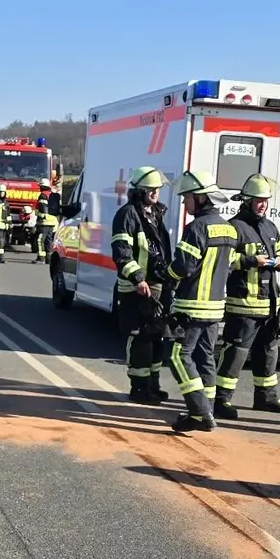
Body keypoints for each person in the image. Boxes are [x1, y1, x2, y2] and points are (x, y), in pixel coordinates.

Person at [211, 174, 280, 419]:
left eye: (266, 201)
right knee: (235, 353)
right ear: (246, 201)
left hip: (269, 306)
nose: (263, 205)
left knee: (269, 351)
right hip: (243, 306)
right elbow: (224, 260)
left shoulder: (270, 227)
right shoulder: (235, 227)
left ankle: (266, 398)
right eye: (259, 200)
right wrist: (249, 261)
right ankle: (221, 400)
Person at [163, 171, 237, 432]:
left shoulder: (196, 228)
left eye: (187, 198)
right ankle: (206, 409)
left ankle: (199, 411)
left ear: (200, 198)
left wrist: (167, 275)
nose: (185, 204)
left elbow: (183, 266)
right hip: (216, 307)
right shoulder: (229, 228)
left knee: (177, 355)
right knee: (205, 357)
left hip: (191, 306)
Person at [110, 166, 173, 405]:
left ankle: (153, 386)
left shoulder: (155, 213)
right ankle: (139, 388)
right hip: (136, 288)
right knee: (141, 338)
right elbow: (121, 252)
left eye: (157, 189)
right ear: (139, 190)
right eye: (151, 189)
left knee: (157, 337)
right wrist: (137, 278)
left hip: (157, 285)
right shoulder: (127, 214)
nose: (156, 193)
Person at [33, 178, 58, 264]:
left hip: (44, 222)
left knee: (40, 240)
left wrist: (40, 216)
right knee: (49, 240)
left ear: (42, 187)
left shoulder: (43, 195)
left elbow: (42, 208)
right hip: (53, 222)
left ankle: (41, 258)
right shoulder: (53, 195)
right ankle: (49, 259)